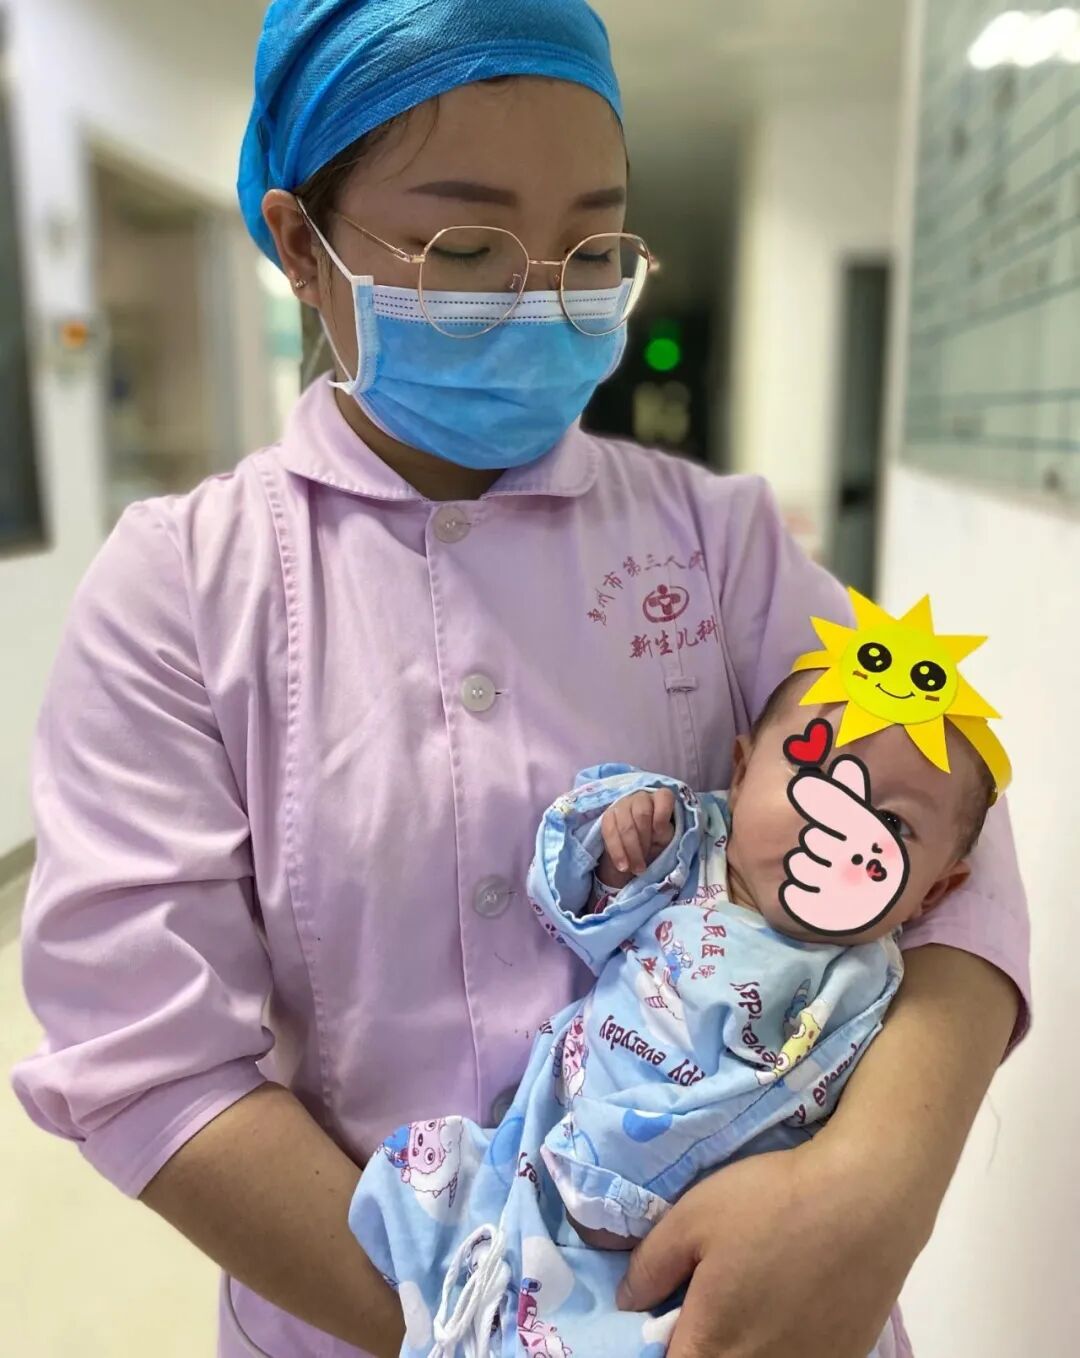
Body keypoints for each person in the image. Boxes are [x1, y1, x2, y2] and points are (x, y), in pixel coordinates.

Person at [9, 3, 1029, 1357]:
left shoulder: (716, 545)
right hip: (366, 1313)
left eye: (594, 249)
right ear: (304, 249)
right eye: (469, 247)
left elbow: (952, 816)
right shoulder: (183, 591)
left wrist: (874, 1186)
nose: (547, 295)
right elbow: (149, 1058)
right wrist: (496, 1330)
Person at [348, 607, 1005, 1358]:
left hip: (690, 1209)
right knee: (444, 1219)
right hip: (559, 1132)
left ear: (933, 892)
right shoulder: (691, 841)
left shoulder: (860, 977)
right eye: (813, 771)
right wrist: (618, 840)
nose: (838, 826)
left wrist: (631, 1180)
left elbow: (769, 1091)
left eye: (896, 824)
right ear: (742, 770)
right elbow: (576, 911)